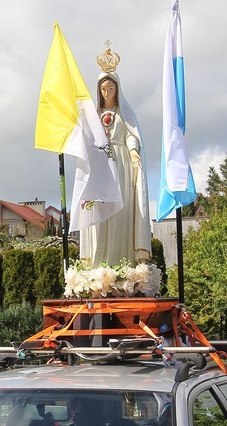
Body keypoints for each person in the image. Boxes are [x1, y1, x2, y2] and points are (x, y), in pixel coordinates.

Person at [79, 47, 152, 268]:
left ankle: (122, 262)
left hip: (121, 165)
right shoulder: (95, 115)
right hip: (101, 166)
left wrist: (132, 150)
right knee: (100, 213)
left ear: (117, 89)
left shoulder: (124, 114)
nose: (107, 92)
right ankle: (99, 265)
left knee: (121, 212)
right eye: (103, 88)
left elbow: (132, 135)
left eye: (111, 87)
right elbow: (87, 138)